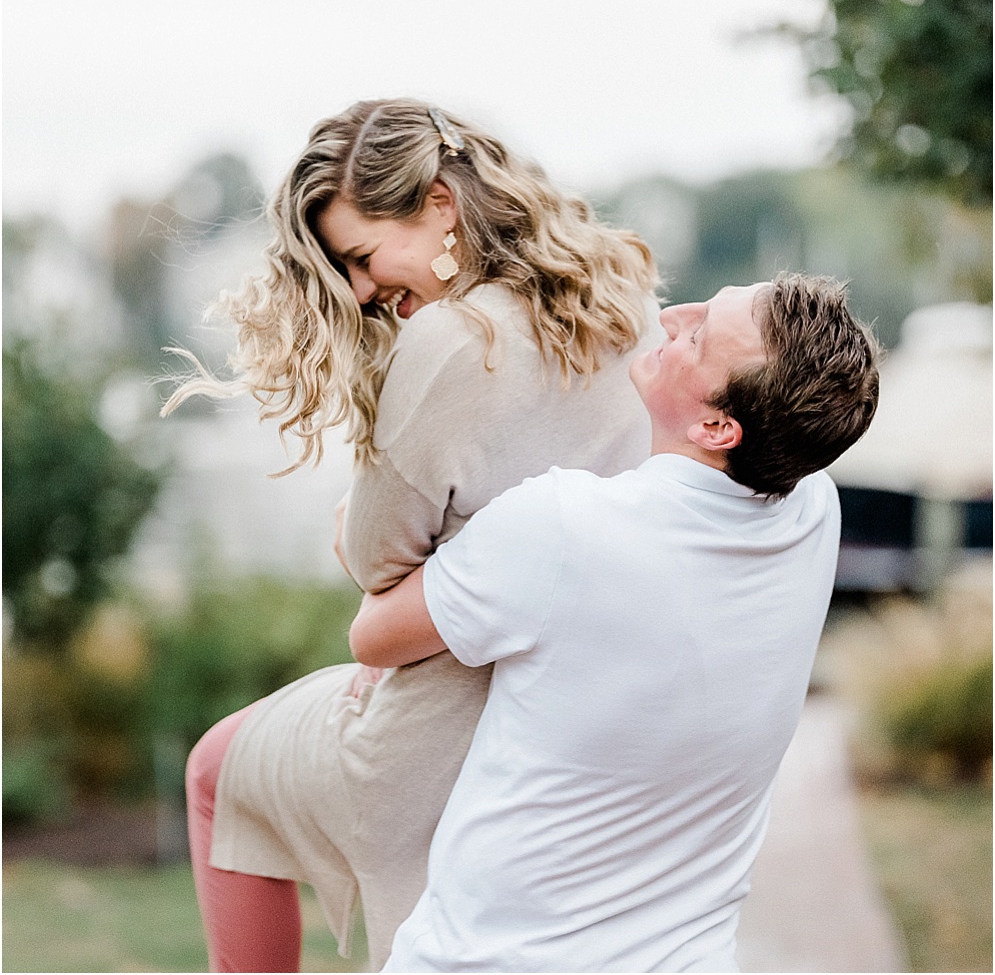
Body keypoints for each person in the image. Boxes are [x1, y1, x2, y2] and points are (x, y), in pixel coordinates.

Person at [165, 97, 660, 972]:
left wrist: (353, 532)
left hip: (440, 730)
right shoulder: (625, 302)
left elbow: (372, 558)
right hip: (580, 717)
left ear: (439, 203)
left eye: (359, 256)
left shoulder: (450, 338)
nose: (358, 291)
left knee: (216, 771)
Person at [350, 274, 880, 974]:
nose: (668, 317)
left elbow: (373, 634)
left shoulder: (560, 527)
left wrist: (350, 527)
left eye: (697, 336)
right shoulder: (812, 510)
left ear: (717, 427)